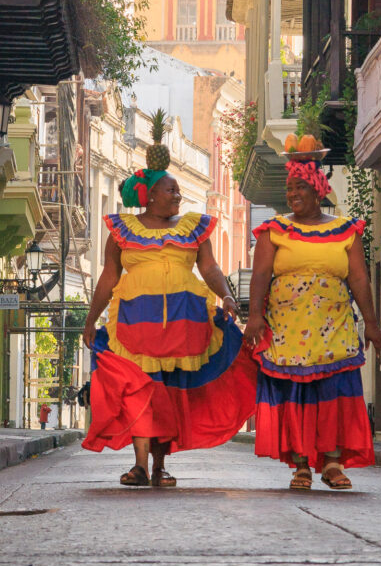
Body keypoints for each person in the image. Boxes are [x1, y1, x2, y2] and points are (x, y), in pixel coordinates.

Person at [82, 168, 257, 486]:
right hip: (134, 322)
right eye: (171, 190)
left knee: (169, 392)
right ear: (149, 195)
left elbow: (209, 267)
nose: (178, 195)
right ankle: (140, 466)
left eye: (178, 190)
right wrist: (91, 319)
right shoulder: (122, 231)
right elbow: (109, 277)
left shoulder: (193, 227)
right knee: (140, 389)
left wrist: (227, 296)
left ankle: (159, 466)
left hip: (184, 323)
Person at [243, 159, 381, 490]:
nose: (293, 193)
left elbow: (358, 278)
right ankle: (300, 465)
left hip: (335, 325)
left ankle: (332, 462)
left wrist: (370, 323)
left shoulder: (345, 231)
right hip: (286, 328)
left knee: (333, 391)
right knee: (296, 392)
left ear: (318, 190)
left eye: (301, 187)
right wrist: (254, 316)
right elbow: (261, 276)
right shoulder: (274, 231)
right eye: (290, 188)